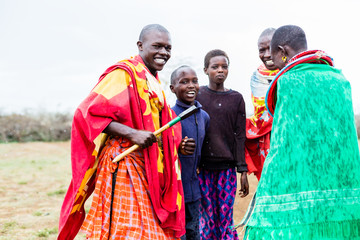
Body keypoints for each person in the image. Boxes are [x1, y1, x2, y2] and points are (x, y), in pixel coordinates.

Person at [58, 24, 187, 240]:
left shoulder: (151, 80)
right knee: (130, 230)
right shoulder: (123, 73)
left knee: (143, 228)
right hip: (124, 161)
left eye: (168, 48)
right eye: (157, 46)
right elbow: (88, 113)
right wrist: (131, 133)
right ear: (140, 45)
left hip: (146, 163)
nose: (164, 53)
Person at [243, 25, 360, 239]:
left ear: (282, 51)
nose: (272, 62)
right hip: (340, 178)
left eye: (273, 55)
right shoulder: (340, 80)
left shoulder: (287, 82)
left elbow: (284, 142)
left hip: (300, 178)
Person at [196, 49, 249, 240]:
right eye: (215, 67)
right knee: (207, 219)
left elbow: (240, 136)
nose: (220, 70)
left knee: (225, 219)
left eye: (224, 67)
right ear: (205, 70)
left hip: (226, 171)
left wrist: (242, 170)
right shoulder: (198, 96)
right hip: (202, 170)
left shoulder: (236, 99)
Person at [170, 65, 210, 240]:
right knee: (178, 235)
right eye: (184, 82)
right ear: (173, 88)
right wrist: (177, 148)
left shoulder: (204, 117)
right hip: (174, 192)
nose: (191, 85)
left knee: (194, 232)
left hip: (194, 191)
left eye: (195, 81)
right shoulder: (169, 116)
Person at [245, 28, 279, 180]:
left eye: (270, 48)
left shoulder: (294, 74)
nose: (266, 54)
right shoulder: (257, 77)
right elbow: (262, 114)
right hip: (266, 139)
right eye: (261, 50)